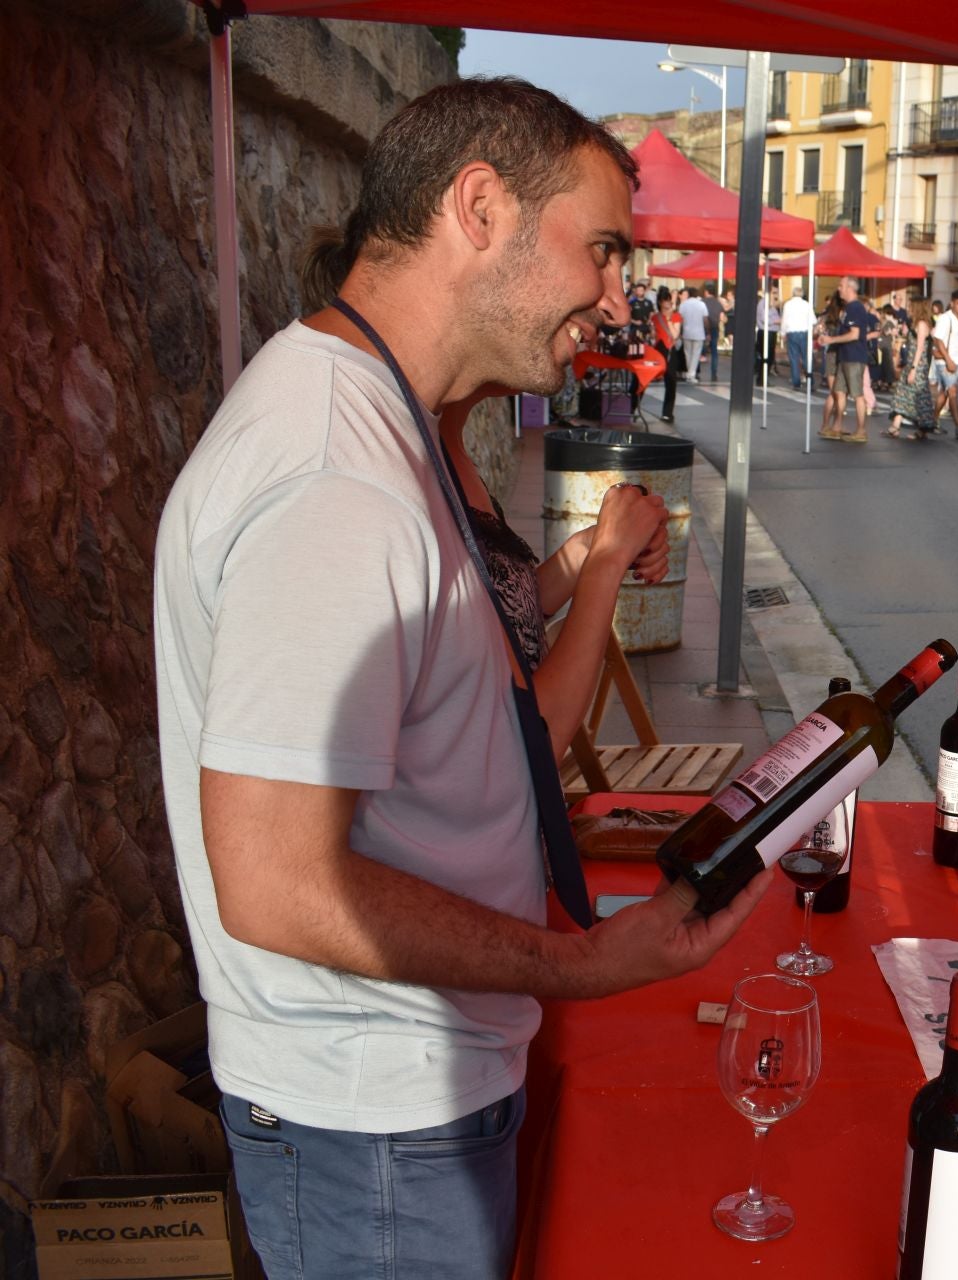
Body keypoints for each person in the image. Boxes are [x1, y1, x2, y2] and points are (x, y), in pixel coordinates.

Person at [153, 77, 770, 1279]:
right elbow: (275, 884)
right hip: (372, 1121)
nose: (615, 292)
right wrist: (582, 964)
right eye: (599, 249)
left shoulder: (381, 418)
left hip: (397, 1108)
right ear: (478, 207)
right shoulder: (336, 472)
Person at [887, 297, 955, 440]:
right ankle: (897, 426)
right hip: (913, 363)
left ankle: (919, 428)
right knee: (905, 393)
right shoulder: (916, 323)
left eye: (911, 306)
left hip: (917, 365)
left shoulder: (922, 324)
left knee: (917, 396)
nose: (909, 309)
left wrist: (913, 368)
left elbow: (919, 348)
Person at [822, 277, 877, 443]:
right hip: (844, 356)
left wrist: (831, 340)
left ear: (850, 288)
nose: (839, 289)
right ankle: (837, 426)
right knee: (839, 391)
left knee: (857, 394)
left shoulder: (855, 307)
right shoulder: (848, 308)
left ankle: (861, 430)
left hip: (854, 357)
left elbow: (855, 334)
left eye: (841, 285)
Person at [933, 289, 958, 438]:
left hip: (956, 362)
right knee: (953, 392)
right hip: (945, 362)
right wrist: (948, 360)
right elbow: (938, 340)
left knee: (944, 393)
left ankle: (932, 420)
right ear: (952, 304)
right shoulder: (945, 318)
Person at [651, 284, 681, 423]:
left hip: (670, 350)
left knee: (671, 382)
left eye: (669, 300)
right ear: (660, 302)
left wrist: (668, 320)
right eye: (665, 300)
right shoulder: (655, 317)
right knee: (644, 379)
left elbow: (675, 335)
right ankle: (632, 407)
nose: (667, 303)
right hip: (657, 349)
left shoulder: (676, 316)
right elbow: (652, 335)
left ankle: (667, 413)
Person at [780, 287, 816, 390]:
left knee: (794, 358)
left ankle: (796, 383)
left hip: (792, 332)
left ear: (793, 294)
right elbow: (813, 320)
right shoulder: (807, 304)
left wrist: (783, 333)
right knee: (806, 358)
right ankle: (810, 381)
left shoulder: (788, 305)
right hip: (804, 333)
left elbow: (784, 320)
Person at [677, 286, 707, 384]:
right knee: (696, 355)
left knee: (687, 354)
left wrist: (679, 331)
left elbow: (680, 320)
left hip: (687, 332)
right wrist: (707, 331)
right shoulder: (701, 304)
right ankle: (691, 374)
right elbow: (705, 319)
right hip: (699, 332)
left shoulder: (683, 305)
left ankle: (690, 373)